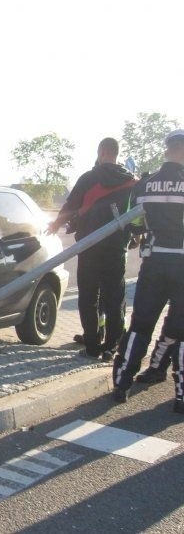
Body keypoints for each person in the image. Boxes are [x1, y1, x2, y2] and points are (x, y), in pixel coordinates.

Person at [112, 128, 184, 410]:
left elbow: (135, 224)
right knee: (181, 328)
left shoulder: (144, 183)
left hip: (154, 263)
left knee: (140, 323)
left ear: (166, 150)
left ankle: (121, 384)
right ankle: (181, 396)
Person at [47, 137, 136, 361]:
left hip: (89, 246)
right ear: (116, 153)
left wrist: (56, 224)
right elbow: (137, 214)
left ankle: (92, 346)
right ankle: (111, 347)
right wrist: (133, 237)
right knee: (114, 297)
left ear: (101, 151)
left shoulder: (89, 178)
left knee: (88, 297)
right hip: (116, 248)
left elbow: (70, 206)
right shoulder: (131, 181)